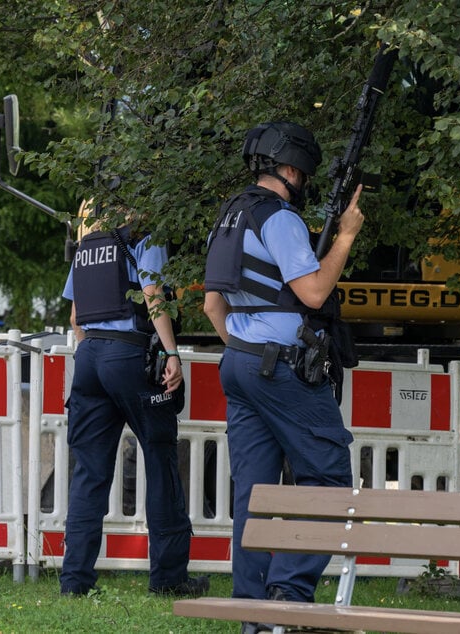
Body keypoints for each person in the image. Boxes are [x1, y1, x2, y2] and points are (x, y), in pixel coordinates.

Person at [203, 121, 364, 632]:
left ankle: (254, 615)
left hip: (239, 362)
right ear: (291, 169)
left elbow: (212, 307)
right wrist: (346, 237)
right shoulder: (280, 219)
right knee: (329, 476)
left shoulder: (229, 218)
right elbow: (314, 292)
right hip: (278, 367)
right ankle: (288, 596)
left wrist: (248, 352)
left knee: (254, 493)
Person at [59, 210, 208, 598]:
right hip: (129, 355)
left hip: (88, 356)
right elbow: (152, 292)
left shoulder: (87, 245)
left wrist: (92, 349)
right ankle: (168, 578)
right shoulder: (143, 236)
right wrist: (172, 353)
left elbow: (76, 315)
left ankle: (74, 581)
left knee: (89, 472)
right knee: (160, 460)